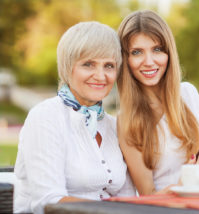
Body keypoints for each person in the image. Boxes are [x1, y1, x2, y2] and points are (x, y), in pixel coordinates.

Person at [14, 21, 135, 214]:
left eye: (109, 66)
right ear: (67, 67)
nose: (100, 75)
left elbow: (128, 197)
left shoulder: (114, 125)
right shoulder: (46, 116)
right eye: (88, 64)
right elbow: (48, 201)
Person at [117, 10, 199, 195]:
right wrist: (185, 186)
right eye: (137, 52)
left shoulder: (188, 94)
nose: (149, 62)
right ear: (125, 59)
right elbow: (148, 196)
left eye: (157, 50)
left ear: (169, 53)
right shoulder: (127, 120)